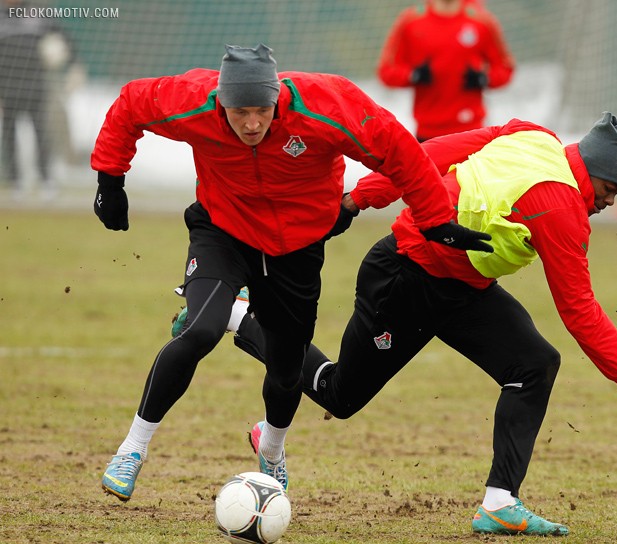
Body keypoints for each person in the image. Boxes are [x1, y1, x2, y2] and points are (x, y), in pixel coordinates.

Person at [207, 112, 617, 536]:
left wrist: (361, 199)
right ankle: (237, 315)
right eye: (610, 188)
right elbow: (578, 308)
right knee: (340, 396)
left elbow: (429, 151)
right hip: (403, 277)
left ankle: (499, 503)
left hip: (464, 288)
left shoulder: (532, 135)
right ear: (592, 170)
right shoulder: (560, 208)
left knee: (534, 364)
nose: (610, 201)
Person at [92, 43, 492, 502]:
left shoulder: (328, 104)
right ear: (221, 102)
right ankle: (132, 450)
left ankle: (273, 452)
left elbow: (400, 151)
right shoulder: (192, 100)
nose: (252, 123)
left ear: (277, 97)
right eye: (240, 112)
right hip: (223, 229)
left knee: (286, 370)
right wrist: (110, 179)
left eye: (262, 110)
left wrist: (436, 219)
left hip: (296, 247)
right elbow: (129, 104)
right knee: (200, 330)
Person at [377, 0, 515, 141]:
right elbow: (386, 71)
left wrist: (484, 79)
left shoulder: (481, 21)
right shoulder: (411, 21)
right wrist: (413, 75)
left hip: (472, 129)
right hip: (428, 132)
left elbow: (505, 69)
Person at [0, 0, 79, 198]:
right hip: (7, 88)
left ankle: (46, 180)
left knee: (41, 132)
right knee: (9, 134)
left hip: (35, 86)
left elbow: (64, 39)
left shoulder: (39, 14)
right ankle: (16, 182)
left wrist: (75, 65)